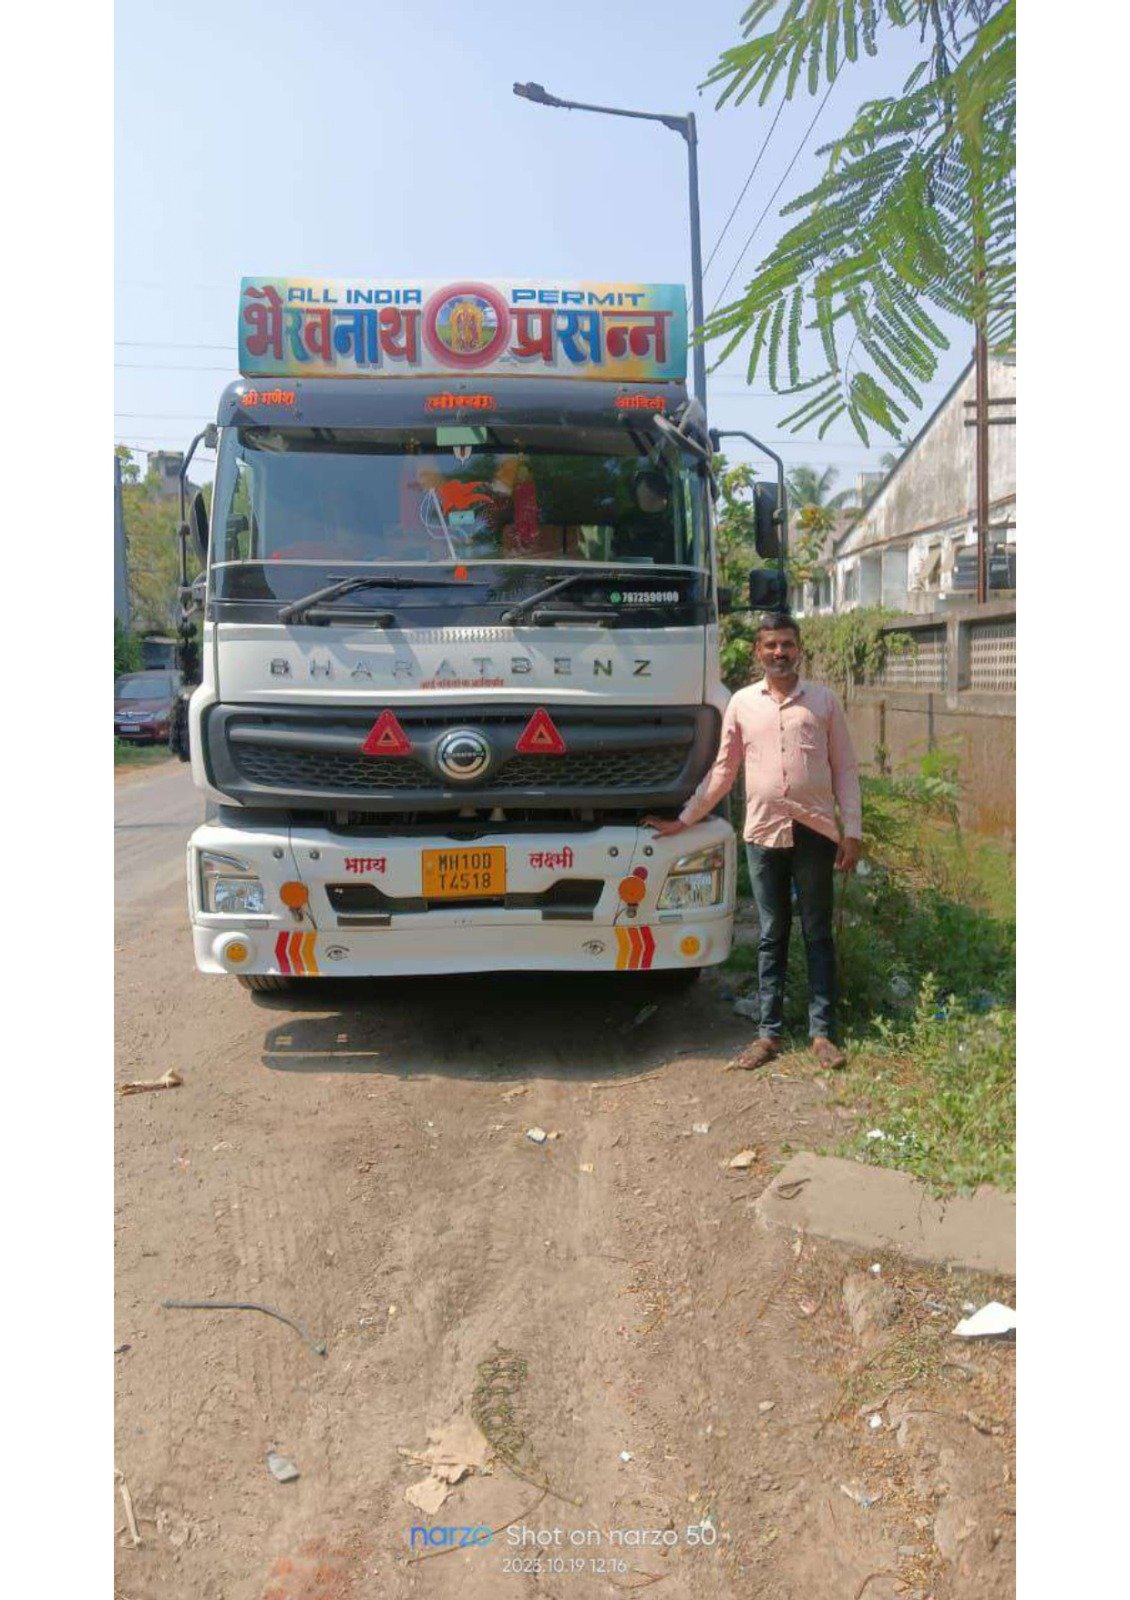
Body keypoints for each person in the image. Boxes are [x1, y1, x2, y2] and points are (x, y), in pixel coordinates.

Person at [643, 613, 862, 1071]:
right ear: (757, 652)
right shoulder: (742, 704)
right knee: (770, 934)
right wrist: (683, 820)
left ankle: (823, 1034)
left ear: (799, 649)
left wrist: (852, 830)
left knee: (817, 933)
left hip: (816, 832)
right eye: (771, 646)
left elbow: (844, 769)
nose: (779, 653)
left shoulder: (823, 701)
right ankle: (769, 1034)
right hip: (763, 834)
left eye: (787, 644)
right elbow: (724, 770)